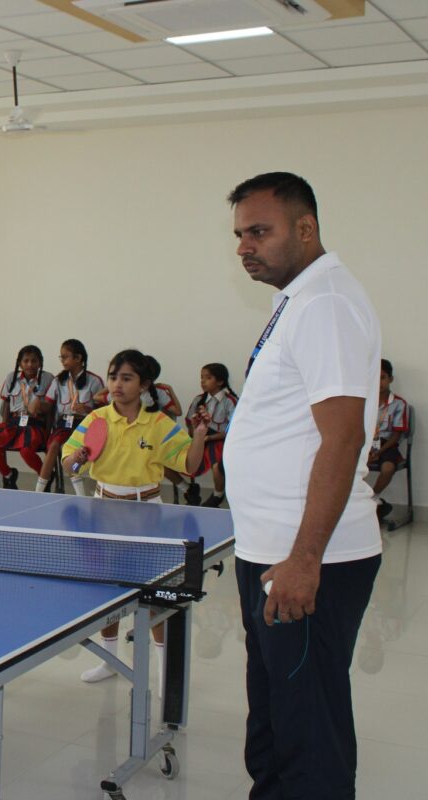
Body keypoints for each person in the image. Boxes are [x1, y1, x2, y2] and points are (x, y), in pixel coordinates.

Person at [222, 172, 381, 800]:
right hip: (271, 551)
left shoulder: (325, 304)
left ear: (306, 228)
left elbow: (342, 438)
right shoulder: (295, 299)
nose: (244, 247)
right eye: (239, 234)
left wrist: (305, 560)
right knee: (273, 721)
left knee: (308, 733)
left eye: (259, 232)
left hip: (309, 558)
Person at [61, 350, 207, 683]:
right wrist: (78, 458)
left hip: (147, 513)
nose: (117, 384)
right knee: (109, 592)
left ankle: (164, 670)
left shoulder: (158, 424)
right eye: (114, 377)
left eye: (126, 378)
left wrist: (199, 436)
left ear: (143, 385)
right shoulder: (97, 419)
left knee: (154, 596)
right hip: (103, 509)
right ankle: (110, 662)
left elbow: (189, 464)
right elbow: (69, 463)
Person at [31, 339, 104, 495]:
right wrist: (38, 403)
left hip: (85, 425)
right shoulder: (59, 380)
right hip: (64, 424)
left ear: (78, 358)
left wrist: (87, 409)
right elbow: (48, 405)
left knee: (73, 455)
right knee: (54, 446)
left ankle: (80, 494)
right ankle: (38, 492)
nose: (62, 360)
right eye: (61, 357)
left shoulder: (94, 381)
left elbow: (103, 411)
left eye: (65, 357)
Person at [0, 345, 53, 490]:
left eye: (34, 361)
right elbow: (6, 403)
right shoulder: (11, 377)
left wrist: (48, 432)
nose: (30, 364)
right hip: (14, 423)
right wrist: (4, 425)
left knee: (26, 451)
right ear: (19, 363)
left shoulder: (48, 378)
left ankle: (45, 476)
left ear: (40, 362)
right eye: (26, 361)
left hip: (35, 424)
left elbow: (50, 409)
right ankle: (9, 475)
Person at [181, 363, 237, 508]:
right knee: (173, 456)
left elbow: (233, 429)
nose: (203, 381)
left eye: (208, 378)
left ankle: (218, 494)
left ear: (220, 381)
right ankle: (187, 488)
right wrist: (195, 435)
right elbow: (189, 423)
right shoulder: (198, 400)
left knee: (216, 464)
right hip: (200, 438)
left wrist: (209, 438)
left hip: (220, 439)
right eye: (201, 377)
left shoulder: (229, 401)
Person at [369, 358, 408, 520]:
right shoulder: (365, 402)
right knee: (350, 466)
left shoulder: (399, 404)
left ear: (390, 379)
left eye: (382, 378)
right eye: (375, 378)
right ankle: (359, 501)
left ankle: (372, 498)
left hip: (388, 444)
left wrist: (379, 452)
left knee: (387, 468)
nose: (379, 383)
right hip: (366, 443)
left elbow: (396, 435)